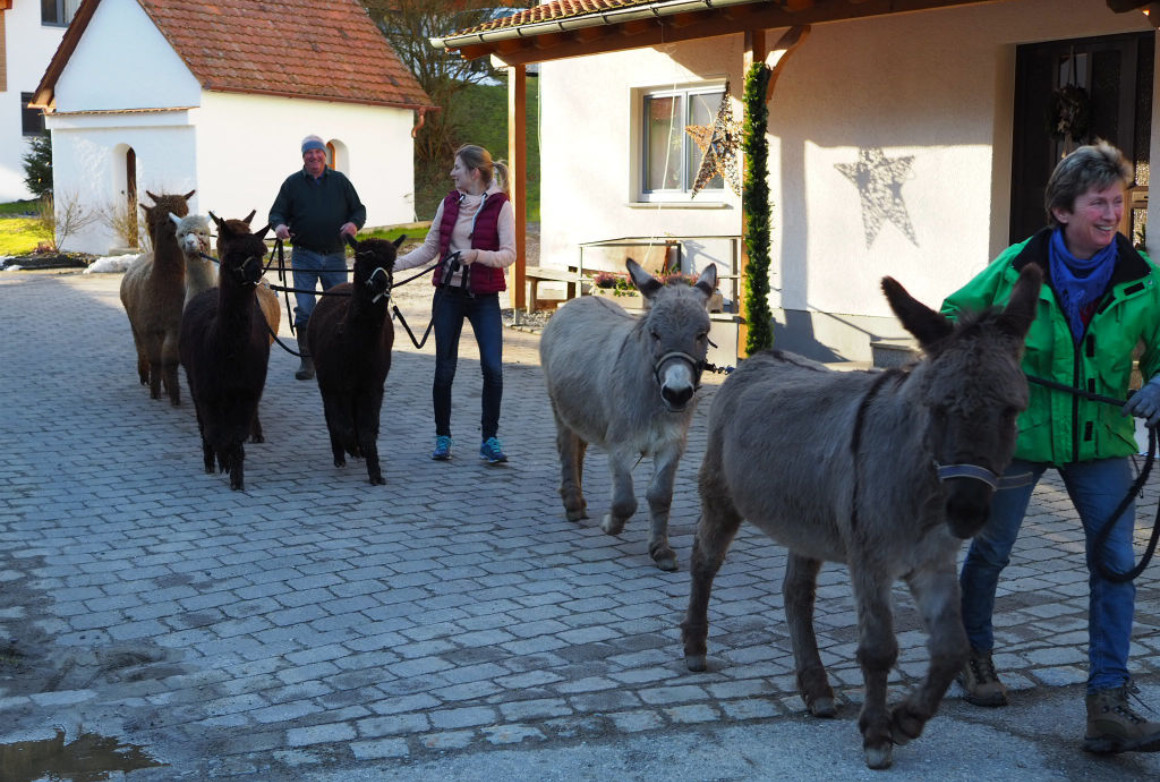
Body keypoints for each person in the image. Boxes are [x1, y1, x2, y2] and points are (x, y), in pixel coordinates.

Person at [942, 141, 1160, 754]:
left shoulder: (1143, 280)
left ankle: (1108, 703)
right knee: (990, 553)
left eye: (1119, 201)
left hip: (1100, 442)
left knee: (1116, 566)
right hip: (1022, 437)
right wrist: (993, 364)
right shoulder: (1016, 268)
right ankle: (973, 656)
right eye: (1099, 202)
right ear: (1063, 210)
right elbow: (956, 315)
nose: (1112, 213)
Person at [393, 144, 515, 464]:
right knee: (445, 369)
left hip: (484, 298)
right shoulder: (448, 203)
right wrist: (394, 264)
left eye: (457, 167)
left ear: (474, 172)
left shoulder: (501, 206)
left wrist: (477, 256)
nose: (452, 173)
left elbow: (509, 254)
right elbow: (430, 248)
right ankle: (443, 437)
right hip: (448, 295)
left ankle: (490, 439)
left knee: (493, 368)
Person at [269, 134, 366, 380]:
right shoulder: (292, 184)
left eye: (318, 152)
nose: (314, 157)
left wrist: (354, 224)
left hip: (335, 255)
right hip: (304, 257)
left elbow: (359, 209)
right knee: (304, 309)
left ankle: (339, 358)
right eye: (308, 153)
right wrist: (279, 227)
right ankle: (308, 361)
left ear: (325, 155)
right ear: (303, 157)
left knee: (342, 307)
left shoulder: (340, 181)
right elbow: (276, 213)